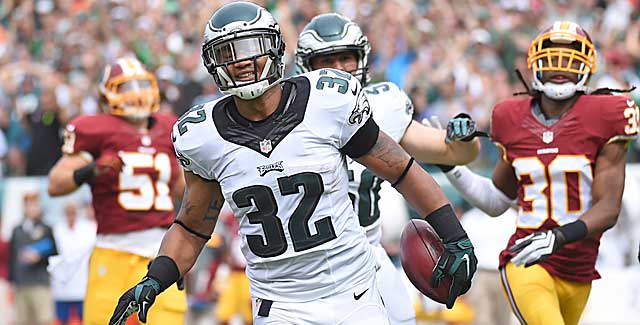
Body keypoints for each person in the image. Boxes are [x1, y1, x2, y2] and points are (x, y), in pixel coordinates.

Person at [109, 2, 478, 325]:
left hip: (354, 289)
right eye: (230, 53)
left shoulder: (327, 101)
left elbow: (401, 168)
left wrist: (455, 235)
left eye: (252, 48)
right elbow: (191, 226)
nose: (243, 62)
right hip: (280, 304)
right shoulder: (201, 136)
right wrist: (154, 278)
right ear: (212, 62)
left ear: (274, 48)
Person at [441, 21, 640, 325]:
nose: (560, 68)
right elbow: (497, 201)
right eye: (553, 59)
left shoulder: (607, 114)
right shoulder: (510, 117)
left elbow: (609, 208)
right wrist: (451, 166)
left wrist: (559, 237)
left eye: (570, 60)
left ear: (587, 67)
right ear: (534, 65)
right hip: (527, 259)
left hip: (579, 269)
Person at [294, 13, 483, 325]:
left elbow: (452, 151)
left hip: (369, 258)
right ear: (307, 67)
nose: (340, 69)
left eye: (347, 58)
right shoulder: (289, 120)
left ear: (362, 59)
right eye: (328, 61)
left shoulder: (383, 105)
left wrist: (465, 137)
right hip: (310, 271)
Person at [47, 56, 187, 325]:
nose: (135, 93)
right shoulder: (97, 129)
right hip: (113, 251)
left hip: (162, 254)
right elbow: (55, 183)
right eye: (126, 87)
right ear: (107, 93)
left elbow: (187, 190)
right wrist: (88, 172)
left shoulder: (168, 127)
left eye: (140, 84)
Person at [8, 191, 57, 325]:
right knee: (23, 320)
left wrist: (39, 257)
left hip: (40, 283)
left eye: (34, 205)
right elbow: (12, 257)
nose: (32, 208)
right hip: (22, 284)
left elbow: (55, 255)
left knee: (44, 319)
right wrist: (12, 281)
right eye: (28, 205)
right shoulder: (16, 230)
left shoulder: (46, 228)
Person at [48, 201, 97, 324]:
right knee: (62, 319)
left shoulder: (89, 228)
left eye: (73, 212)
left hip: (82, 284)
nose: (70, 215)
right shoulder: (57, 229)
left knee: (84, 318)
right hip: (62, 285)